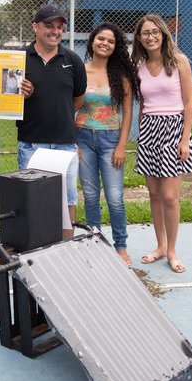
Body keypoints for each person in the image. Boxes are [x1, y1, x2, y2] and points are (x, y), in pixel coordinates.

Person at [131, 14, 192, 274]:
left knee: (170, 196)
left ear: (164, 34)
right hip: (149, 131)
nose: (150, 36)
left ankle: (172, 250)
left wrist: (184, 139)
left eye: (155, 32)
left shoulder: (179, 62)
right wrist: (141, 135)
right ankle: (159, 247)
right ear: (139, 38)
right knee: (154, 195)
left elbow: (190, 102)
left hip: (174, 130)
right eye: (145, 33)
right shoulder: (139, 65)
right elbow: (143, 104)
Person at [16, 4, 87, 239]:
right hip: (31, 144)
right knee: (33, 199)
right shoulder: (19, 60)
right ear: (35, 27)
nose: (55, 31)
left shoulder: (73, 60)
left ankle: (67, 248)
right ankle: (37, 246)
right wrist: (20, 95)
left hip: (64, 143)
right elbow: (4, 101)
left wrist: (61, 114)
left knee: (67, 199)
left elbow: (78, 99)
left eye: (59, 27)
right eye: (49, 26)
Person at [75, 22, 140, 265]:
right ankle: (94, 242)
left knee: (114, 196)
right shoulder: (80, 70)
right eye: (101, 39)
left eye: (111, 41)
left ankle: (120, 246)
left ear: (116, 47)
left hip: (111, 141)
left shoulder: (121, 76)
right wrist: (74, 143)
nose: (105, 43)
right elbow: (70, 107)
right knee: (91, 195)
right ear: (92, 41)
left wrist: (122, 145)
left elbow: (127, 113)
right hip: (82, 138)